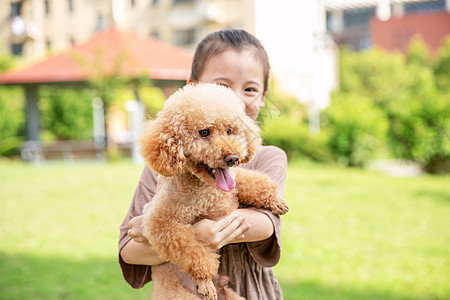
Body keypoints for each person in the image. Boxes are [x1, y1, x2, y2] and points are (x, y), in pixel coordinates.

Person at [119, 28, 288, 299]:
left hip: (252, 291)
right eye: (222, 87)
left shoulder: (269, 156)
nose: (234, 99)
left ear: (263, 96)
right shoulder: (165, 165)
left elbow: (266, 224)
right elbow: (129, 247)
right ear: (193, 88)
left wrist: (200, 233)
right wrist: (173, 236)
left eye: (250, 89)